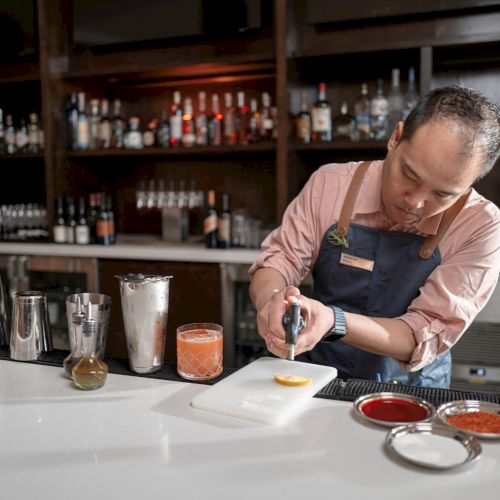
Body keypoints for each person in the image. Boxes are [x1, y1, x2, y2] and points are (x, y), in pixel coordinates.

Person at [249, 86, 500, 388]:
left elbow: (418, 333)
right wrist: (272, 301)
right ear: (395, 137)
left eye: (443, 194)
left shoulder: (482, 226)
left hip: (410, 392)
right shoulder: (330, 184)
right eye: (410, 175)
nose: (415, 202)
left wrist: (333, 321)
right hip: (316, 381)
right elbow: (278, 262)